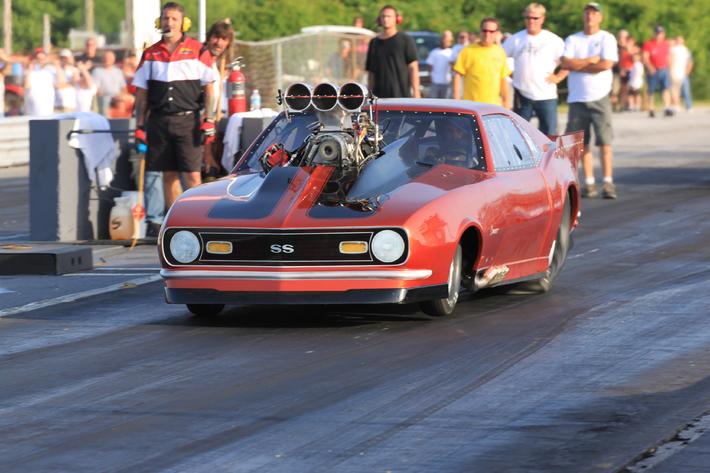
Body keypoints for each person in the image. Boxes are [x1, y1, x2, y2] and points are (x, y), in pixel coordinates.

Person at [133, 1, 217, 236]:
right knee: (167, 174)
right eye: (165, 18)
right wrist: (139, 125)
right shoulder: (150, 53)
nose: (169, 23)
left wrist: (209, 119)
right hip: (158, 122)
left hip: (188, 121)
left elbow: (210, 89)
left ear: (183, 23)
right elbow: (141, 93)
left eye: (174, 19)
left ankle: (201, 221)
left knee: (192, 174)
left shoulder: (199, 50)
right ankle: (176, 223)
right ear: (159, 22)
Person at [560, 2, 618, 199]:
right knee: (581, 144)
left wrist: (580, 65)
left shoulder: (606, 38)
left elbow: (606, 64)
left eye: (594, 13)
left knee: (605, 142)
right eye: (587, 13)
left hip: (600, 96)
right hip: (577, 97)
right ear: (583, 16)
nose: (590, 16)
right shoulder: (573, 39)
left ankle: (608, 182)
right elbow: (565, 62)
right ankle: (589, 182)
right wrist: (589, 61)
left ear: (600, 17)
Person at [503, 3, 567, 135]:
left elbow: (568, 61)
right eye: (528, 18)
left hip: (546, 95)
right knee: (518, 134)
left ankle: (547, 156)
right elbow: (500, 59)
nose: (531, 21)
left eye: (535, 18)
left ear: (542, 19)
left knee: (549, 135)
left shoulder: (553, 40)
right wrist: (509, 73)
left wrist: (559, 76)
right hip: (522, 94)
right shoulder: (515, 39)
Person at [453, 17, 511, 107]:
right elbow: (457, 75)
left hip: (493, 106)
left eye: (491, 31)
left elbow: (503, 79)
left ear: (496, 33)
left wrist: (506, 102)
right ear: (480, 31)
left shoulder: (500, 52)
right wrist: (456, 100)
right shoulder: (467, 50)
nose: (487, 34)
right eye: (485, 30)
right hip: (471, 106)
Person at [202, 18, 234, 177]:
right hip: (202, 124)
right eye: (216, 37)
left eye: (224, 39)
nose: (218, 42)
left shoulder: (220, 65)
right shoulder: (201, 60)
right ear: (208, 37)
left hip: (218, 123)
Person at [365, 5, 420, 98]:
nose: (385, 19)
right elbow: (371, 72)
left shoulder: (405, 40)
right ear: (379, 19)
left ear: (397, 19)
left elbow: (413, 68)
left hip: (401, 96)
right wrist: (370, 94)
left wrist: (416, 93)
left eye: (389, 16)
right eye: (383, 16)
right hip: (379, 98)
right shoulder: (374, 42)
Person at [643, 25, 672, 117]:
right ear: (655, 34)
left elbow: (668, 57)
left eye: (661, 33)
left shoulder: (666, 44)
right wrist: (650, 67)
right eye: (657, 33)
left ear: (663, 34)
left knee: (666, 88)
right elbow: (645, 57)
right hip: (653, 70)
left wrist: (669, 68)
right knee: (651, 90)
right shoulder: (648, 44)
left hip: (664, 69)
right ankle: (651, 109)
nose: (659, 35)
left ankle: (667, 107)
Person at [92, 50, 126, 116]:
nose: (107, 60)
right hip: (104, 97)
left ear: (113, 59)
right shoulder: (97, 71)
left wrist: (121, 96)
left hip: (117, 97)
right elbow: (96, 90)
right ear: (102, 59)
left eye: (109, 58)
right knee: (105, 101)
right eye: (105, 58)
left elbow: (123, 88)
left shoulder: (118, 71)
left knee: (127, 101)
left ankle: (125, 123)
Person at [24, 48, 57, 116]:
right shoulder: (30, 71)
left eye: (42, 58)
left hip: (46, 105)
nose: (40, 61)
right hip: (32, 106)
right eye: (38, 58)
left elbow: (59, 83)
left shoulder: (50, 70)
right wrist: (30, 68)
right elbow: (26, 85)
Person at [425, 30, 454, 98]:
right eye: (444, 38)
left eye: (447, 39)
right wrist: (430, 77)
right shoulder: (434, 52)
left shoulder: (452, 53)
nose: (445, 41)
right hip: (435, 83)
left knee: (446, 104)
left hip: (447, 83)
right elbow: (429, 66)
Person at [669, 35, 693, 113]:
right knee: (675, 90)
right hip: (674, 72)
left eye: (680, 40)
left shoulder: (685, 50)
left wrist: (687, 71)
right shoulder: (673, 49)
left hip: (683, 72)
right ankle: (676, 105)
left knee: (685, 90)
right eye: (677, 40)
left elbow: (690, 61)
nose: (679, 41)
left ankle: (688, 105)